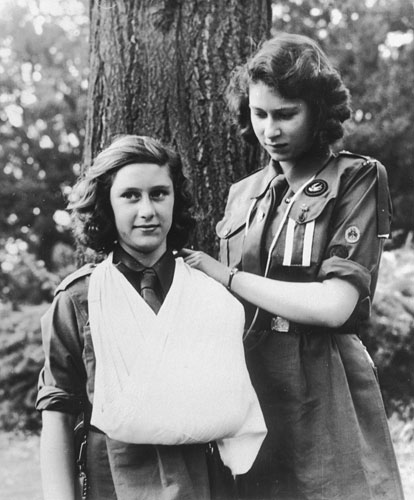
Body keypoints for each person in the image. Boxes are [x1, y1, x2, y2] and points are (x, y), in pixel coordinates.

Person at [182, 33, 405, 500]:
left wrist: (230, 278)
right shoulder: (242, 194)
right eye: (259, 114)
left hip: (322, 378)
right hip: (248, 380)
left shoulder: (356, 177)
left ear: (319, 112)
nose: (270, 130)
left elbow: (335, 307)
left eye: (286, 114)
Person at [36, 135, 267, 500]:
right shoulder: (80, 299)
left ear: (175, 199)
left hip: (204, 477)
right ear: (106, 205)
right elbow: (57, 416)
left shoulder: (209, 292)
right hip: (116, 477)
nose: (147, 210)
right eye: (130, 196)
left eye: (159, 194)